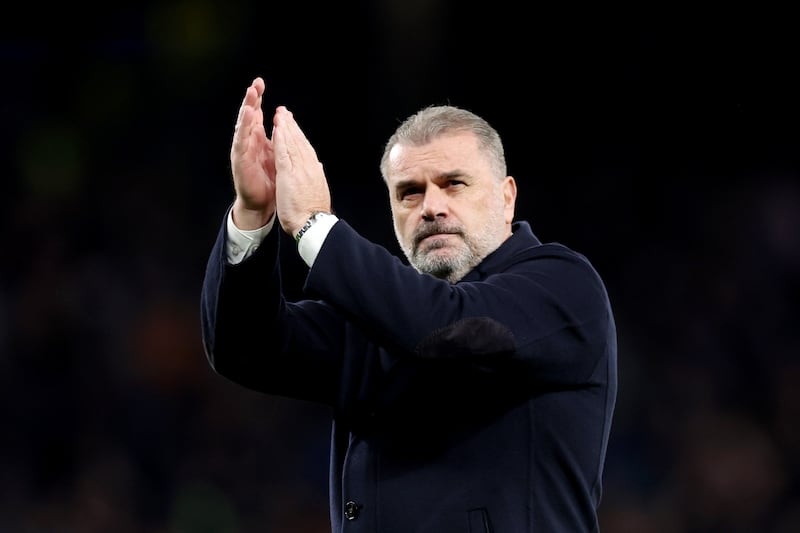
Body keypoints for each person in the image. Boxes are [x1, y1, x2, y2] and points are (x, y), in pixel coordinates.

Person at [200, 76, 618, 533]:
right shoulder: (376, 317)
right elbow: (245, 349)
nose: (430, 207)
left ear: (505, 198)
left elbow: (449, 328)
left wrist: (315, 226)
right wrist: (252, 213)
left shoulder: (562, 285)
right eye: (409, 192)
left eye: (453, 184)